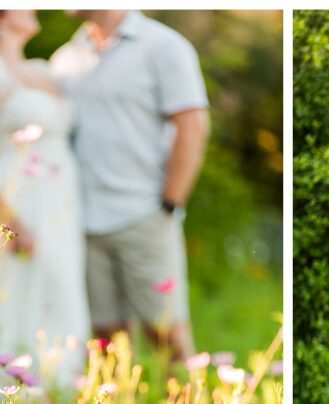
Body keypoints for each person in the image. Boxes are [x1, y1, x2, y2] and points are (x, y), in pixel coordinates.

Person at [50, 10, 210, 363]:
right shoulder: (64, 59)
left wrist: (169, 203)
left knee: (166, 333)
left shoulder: (164, 46)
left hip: (144, 215)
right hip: (83, 223)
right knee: (105, 340)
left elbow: (193, 125)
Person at [0, 10, 91, 387]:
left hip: (57, 204)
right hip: (11, 206)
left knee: (57, 293)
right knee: (10, 301)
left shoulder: (43, 71)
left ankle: (56, 394)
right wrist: (11, 221)